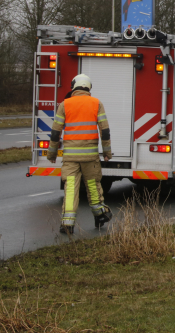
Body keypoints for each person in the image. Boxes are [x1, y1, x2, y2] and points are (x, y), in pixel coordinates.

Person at [47, 74, 113, 235]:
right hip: (90, 157)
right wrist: (107, 152)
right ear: (88, 87)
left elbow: (55, 132)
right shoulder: (97, 103)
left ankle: (67, 224)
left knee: (70, 188)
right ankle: (100, 214)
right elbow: (104, 131)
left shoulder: (65, 104)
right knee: (93, 186)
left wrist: (52, 154)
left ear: (74, 87)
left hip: (70, 158)